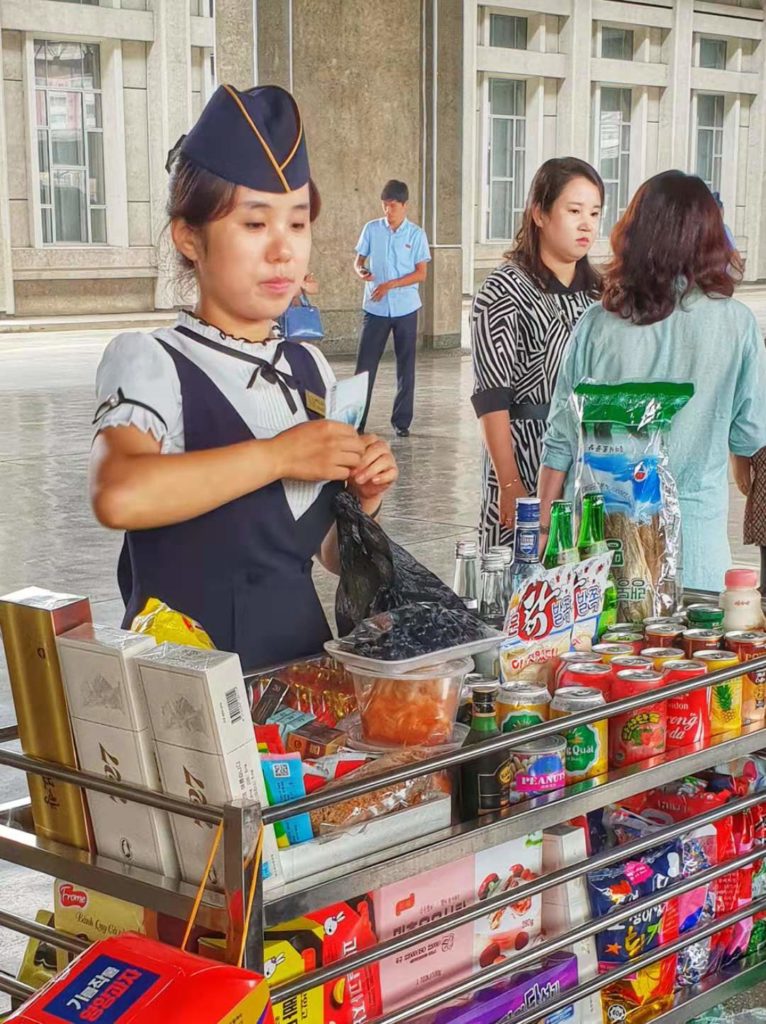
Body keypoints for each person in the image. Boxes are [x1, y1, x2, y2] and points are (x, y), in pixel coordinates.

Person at [89, 84, 398, 669]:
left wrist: (363, 501)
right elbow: (118, 494)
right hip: (190, 695)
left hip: (303, 684)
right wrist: (279, 456)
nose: (284, 252)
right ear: (189, 238)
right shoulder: (153, 362)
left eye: (298, 225)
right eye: (255, 225)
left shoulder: (307, 368)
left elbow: (323, 552)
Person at [539, 170, 766, 592]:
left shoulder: (595, 323)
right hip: (695, 556)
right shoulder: (736, 325)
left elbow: (560, 441)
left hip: (600, 557)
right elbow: (751, 436)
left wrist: (544, 536)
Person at [470, 157, 603, 551]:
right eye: (574, 210)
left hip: (589, 464)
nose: (587, 224)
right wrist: (510, 482)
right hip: (524, 455)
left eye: (595, 213)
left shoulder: (602, 295)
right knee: (521, 583)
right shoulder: (504, 290)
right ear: (540, 214)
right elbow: (491, 396)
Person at [354, 180, 431, 437]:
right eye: (385, 205)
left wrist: (390, 284)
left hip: (406, 309)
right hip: (375, 308)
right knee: (365, 367)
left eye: (393, 205)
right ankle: (357, 422)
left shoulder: (416, 235)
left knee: (405, 366)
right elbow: (358, 260)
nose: (388, 210)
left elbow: (421, 274)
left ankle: (401, 422)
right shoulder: (372, 229)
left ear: (404, 205)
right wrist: (361, 271)